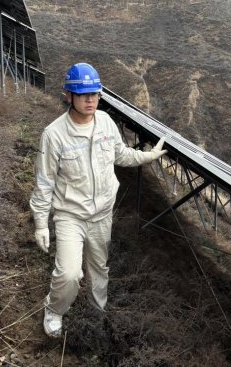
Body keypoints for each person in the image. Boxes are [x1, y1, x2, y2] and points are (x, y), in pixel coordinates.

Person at [30, 62, 167, 338]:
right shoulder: (54, 135)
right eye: (83, 94)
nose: (90, 100)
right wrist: (41, 224)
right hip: (70, 215)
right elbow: (44, 183)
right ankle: (54, 310)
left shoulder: (105, 122)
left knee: (98, 270)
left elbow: (120, 154)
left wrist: (148, 157)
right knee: (69, 274)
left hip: (102, 214)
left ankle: (96, 311)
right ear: (68, 95)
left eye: (94, 94)